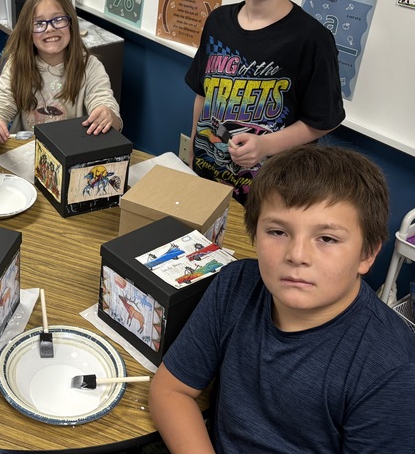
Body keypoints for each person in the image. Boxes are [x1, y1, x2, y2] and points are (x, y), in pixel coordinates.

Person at [148, 145, 415, 453]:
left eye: (326, 238)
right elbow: (171, 390)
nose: (297, 255)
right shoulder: (235, 285)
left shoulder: (390, 371)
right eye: (277, 232)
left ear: (367, 254)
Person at [185, 0, 345, 204]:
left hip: (272, 193)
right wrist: (193, 147)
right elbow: (202, 94)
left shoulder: (312, 39)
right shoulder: (218, 22)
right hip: (209, 177)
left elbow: (324, 121)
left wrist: (266, 145)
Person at [0, 0, 121, 143]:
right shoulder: (17, 64)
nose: (50, 28)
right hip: (27, 152)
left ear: (71, 24)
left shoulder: (90, 66)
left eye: (58, 20)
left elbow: (106, 105)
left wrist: (107, 114)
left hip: (73, 150)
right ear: (28, 32)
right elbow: (3, 104)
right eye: (39, 24)